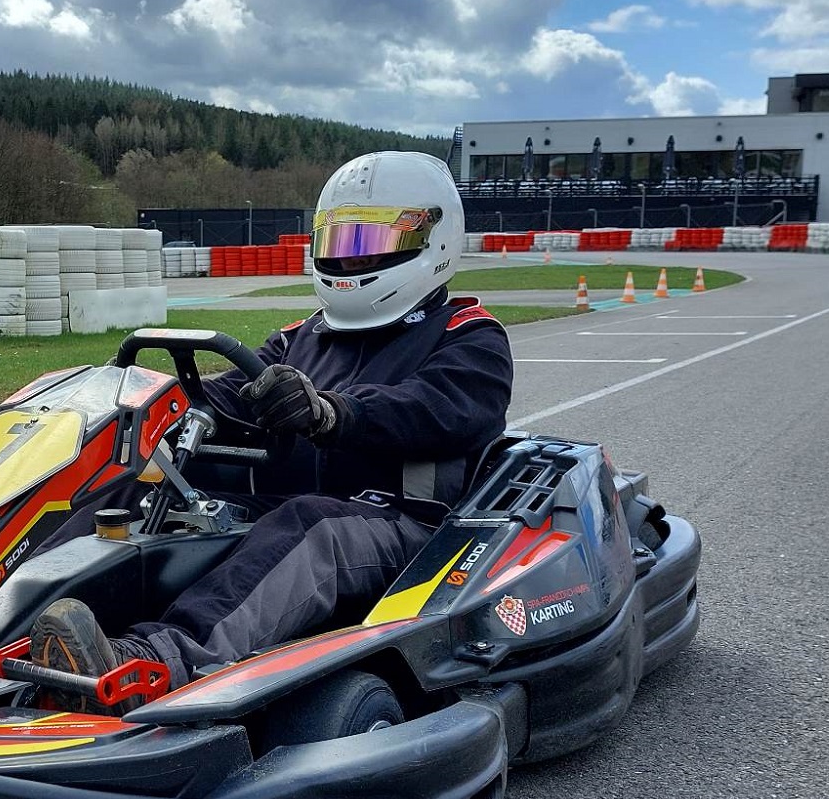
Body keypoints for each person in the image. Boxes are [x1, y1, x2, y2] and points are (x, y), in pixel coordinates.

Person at [30, 151, 514, 713]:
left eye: (368, 241)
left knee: (310, 525)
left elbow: (434, 409)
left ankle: (154, 661)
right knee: (131, 490)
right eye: (339, 241)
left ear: (434, 238)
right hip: (285, 508)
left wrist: (332, 413)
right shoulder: (298, 338)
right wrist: (159, 405)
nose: (349, 258)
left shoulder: (468, 337)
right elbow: (234, 396)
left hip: (406, 527)